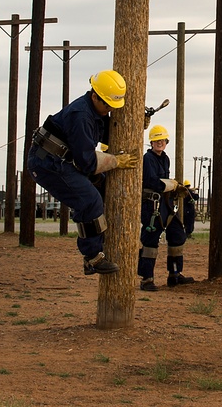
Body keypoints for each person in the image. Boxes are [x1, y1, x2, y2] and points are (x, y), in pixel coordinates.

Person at [27, 70, 138, 276]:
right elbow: (86, 162)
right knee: (89, 200)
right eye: (107, 105)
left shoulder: (95, 112)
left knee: (102, 187)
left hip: (62, 162)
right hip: (47, 164)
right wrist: (115, 161)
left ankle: (105, 241)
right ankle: (92, 257)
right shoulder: (81, 115)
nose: (109, 110)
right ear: (94, 95)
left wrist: (138, 125)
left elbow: (110, 134)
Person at [138, 126, 195, 291]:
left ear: (166, 142)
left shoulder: (165, 158)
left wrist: (174, 188)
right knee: (150, 240)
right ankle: (146, 279)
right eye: (156, 140)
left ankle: (175, 274)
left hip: (165, 203)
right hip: (151, 205)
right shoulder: (147, 159)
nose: (159, 143)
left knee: (177, 234)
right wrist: (171, 184)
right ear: (151, 142)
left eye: (162, 140)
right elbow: (151, 181)